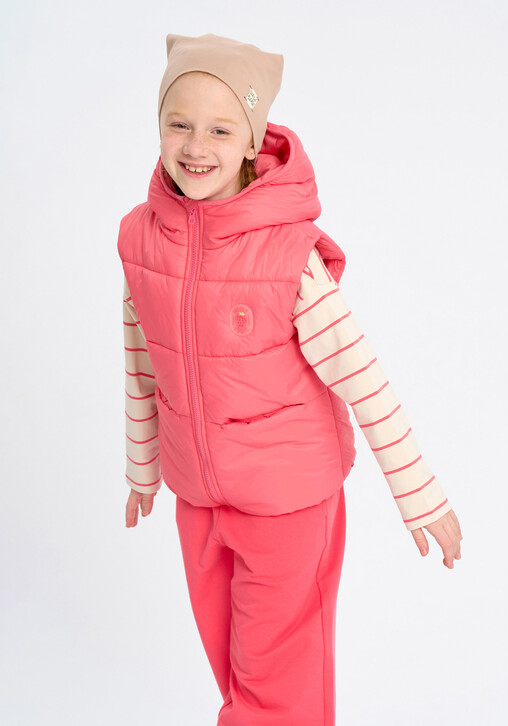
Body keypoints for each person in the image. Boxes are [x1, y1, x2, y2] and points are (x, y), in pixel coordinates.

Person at [118, 32, 462, 726]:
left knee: (272, 690)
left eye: (220, 130)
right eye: (179, 124)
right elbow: (141, 357)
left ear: (252, 139)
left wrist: (419, 495)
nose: (196, 146)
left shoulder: (287, 255)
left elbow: (360, 373)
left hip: (288, 502)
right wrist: (144, 468)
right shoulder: (141, 239)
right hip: (199, 498)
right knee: (239, 676)